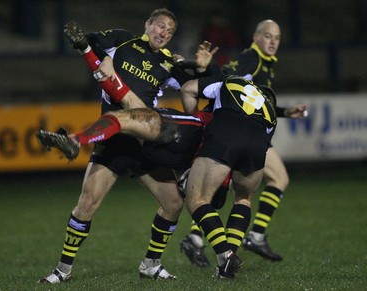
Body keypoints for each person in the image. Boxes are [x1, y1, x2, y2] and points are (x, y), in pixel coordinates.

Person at [38, 10, 220, 283]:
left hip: (144, 143)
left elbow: (207, 87)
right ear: (147, 24)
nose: (164, 33)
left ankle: (151, 264)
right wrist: (105, 58)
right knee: (87, 204)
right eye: (161, 26)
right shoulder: (122, 41)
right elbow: (85, 41)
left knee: (173, 203)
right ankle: (63, 270)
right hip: (112, 140)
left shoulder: (169, 63)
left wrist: (205, 67)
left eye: (170, 32)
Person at [180, 19, 308, 265]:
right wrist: (206, 69)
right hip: (242, 127)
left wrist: (285, 112)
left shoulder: (265, 64)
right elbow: (229, 79)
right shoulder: (252, 58)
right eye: (268, 36)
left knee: (221, 187)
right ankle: (254, 236)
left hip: (248, 126)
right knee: (273, 180)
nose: (273, 41)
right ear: (256, 37)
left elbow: (253, 100)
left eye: (277, 38)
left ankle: (198, 239)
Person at [181, 75, 278, 279]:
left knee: (197, 199)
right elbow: (265, 140)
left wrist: (193, 126)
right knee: (243, 199)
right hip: (257, 144)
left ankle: (225, 255)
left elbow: (188, 88)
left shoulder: (230, 81)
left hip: (226, 131)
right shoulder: (271, 114)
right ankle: (227, 267)